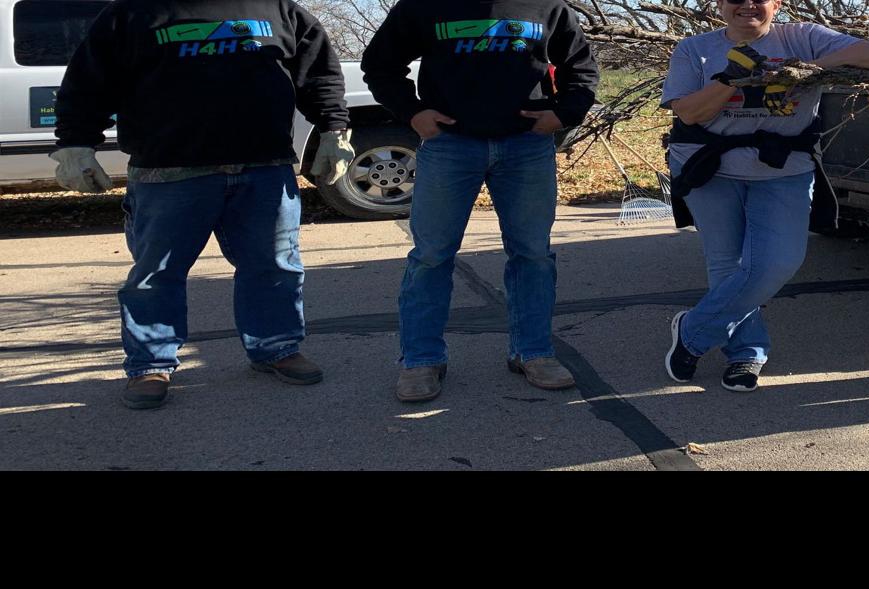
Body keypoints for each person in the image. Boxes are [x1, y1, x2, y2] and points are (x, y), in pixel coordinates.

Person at [52, 0, 355, 410]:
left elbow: (319, 71)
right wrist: (75, 142)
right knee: (155, 275)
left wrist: (335, 127)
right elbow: (88, 81)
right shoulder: (131, 12)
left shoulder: (278, 7)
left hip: (263, 166)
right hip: (169, 171)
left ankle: (276, 348)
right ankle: (151, 365)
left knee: (275, 266)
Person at [362, 0, 599, 403]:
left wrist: (564, 114)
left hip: (527, 146)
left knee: (532, 254)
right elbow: (380, 65)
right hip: (450, 146)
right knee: (432, 255)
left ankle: (533, 353)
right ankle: (421, 360)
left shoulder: (546, 5)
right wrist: (414, 112)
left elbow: (582, 67)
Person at [660, 0, 869, 392]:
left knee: (776, 263)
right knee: (727, 264)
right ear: (718, 4)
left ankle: (693, 330)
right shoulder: (694, 49)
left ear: (776, 3)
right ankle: (746, 353)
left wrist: (811, 68)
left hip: (782, 168)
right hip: (708, 166)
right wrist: (728, 79)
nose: (746, 4)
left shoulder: (805, 38)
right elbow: (689, 114)